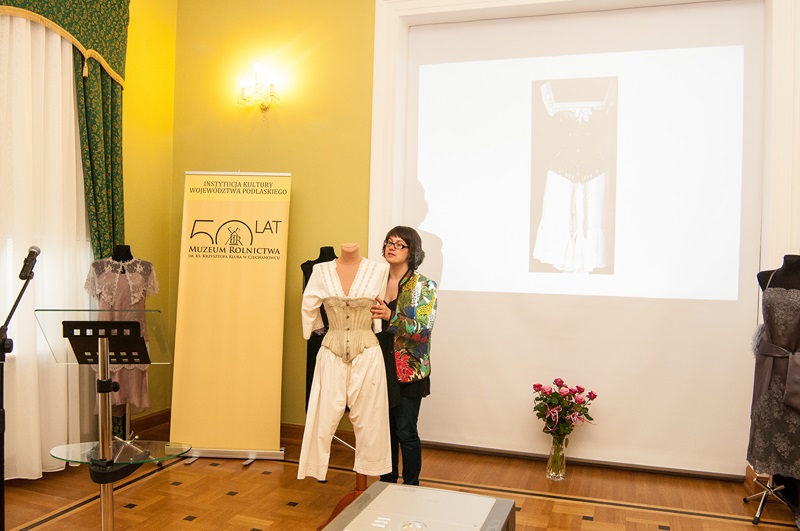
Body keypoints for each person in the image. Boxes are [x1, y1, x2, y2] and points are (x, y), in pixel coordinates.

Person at [297, 243, 391, 481]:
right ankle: (314, 468)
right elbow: (308, 303)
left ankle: (369, 470)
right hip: (331, 350)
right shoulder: (321, 271)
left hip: (367, 350)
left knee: (371, 417)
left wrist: (377, 326)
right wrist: (315, 328)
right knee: (322, 414)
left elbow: (379, 307)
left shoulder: (379, 269)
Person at [371, 226, 438, 485]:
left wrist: (391, 316)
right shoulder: (374, 281)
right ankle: (386, 483)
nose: (392, 247)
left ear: (412, 252)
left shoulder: (424, 286)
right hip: (378, 365)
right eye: (389, 242)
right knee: (384, 432)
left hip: (409, 369)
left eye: (399, 244)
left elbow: (423, 331)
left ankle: (411, 487)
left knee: (405, 431)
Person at [749, 255, 800, 527]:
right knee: (768, 424)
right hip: (768, 365)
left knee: (795, 429)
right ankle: (776, 484)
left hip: (797, 367)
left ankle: (795, 497)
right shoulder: (765, 277)